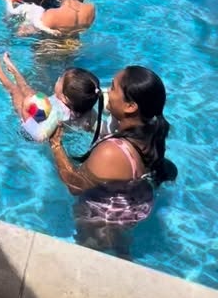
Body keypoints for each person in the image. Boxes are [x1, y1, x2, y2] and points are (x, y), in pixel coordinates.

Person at [47, 65, 177, 253]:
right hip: (128, 208)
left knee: (84, 259)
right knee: (120, 253)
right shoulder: (151, 129)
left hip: (100, 221)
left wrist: (55, 144)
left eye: (114, 87)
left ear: (130, 106)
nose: (107, 91)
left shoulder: (111, 152)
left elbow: (75, 185)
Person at [0, 51, 104, 143]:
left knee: (14, 90)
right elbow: (97, 128)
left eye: (60, 80)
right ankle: (13, 70)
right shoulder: (87, 107)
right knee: (28, 90)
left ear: (65, 98)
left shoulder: (57, 113)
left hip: (32, 119)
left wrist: (25, 110)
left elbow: (38, 136)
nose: (58, 79)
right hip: (45, 108)